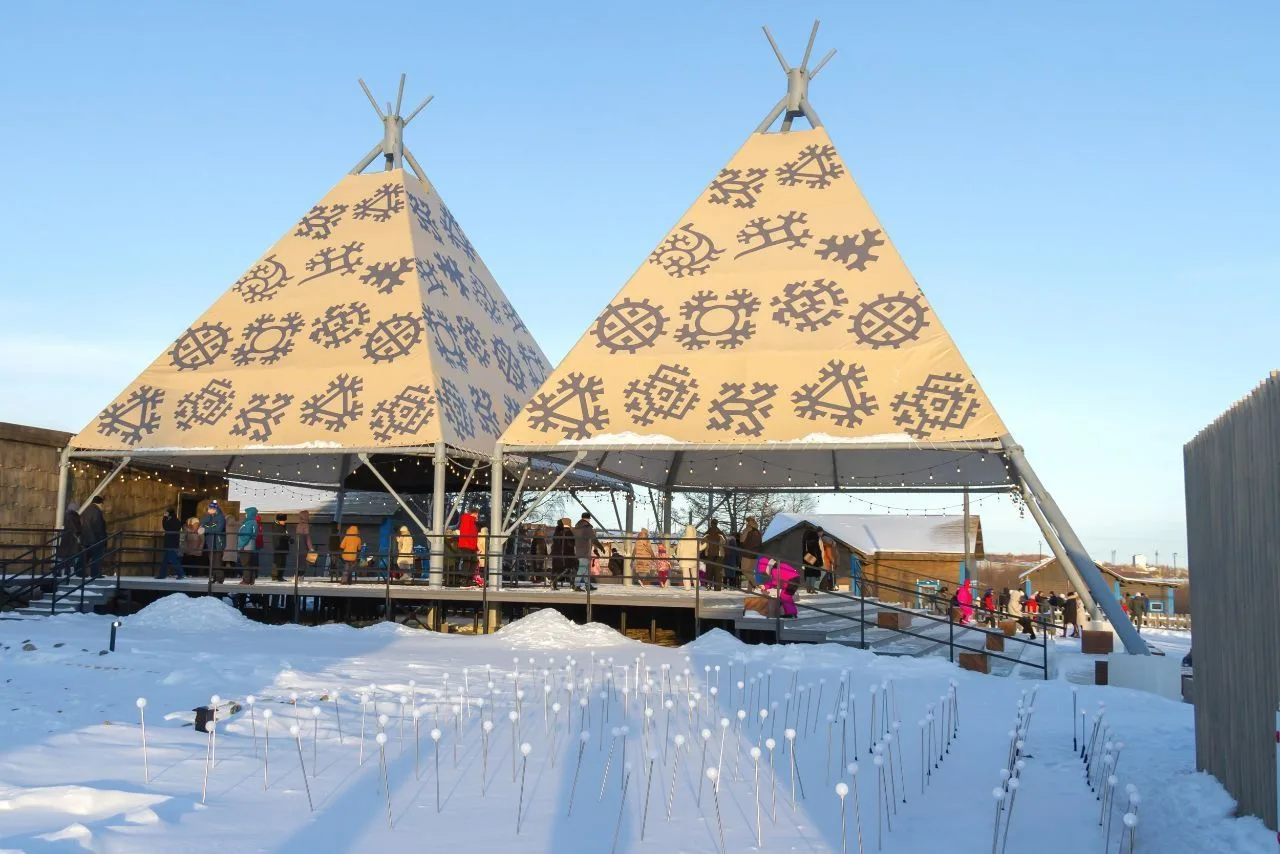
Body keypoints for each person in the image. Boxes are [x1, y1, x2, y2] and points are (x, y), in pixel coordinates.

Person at [80, 495, 108, 579]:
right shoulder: (96, 512)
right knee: (97, 556)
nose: (103, 506)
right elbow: (98, 526)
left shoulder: (87, 510)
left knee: (86, 555)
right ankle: (95, 573)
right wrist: (102, 538)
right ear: (100, 503)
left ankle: (79, 571)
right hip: (95, 538)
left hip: (86, 538)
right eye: (102, 504)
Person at [572, 513, 600, 592]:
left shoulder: (576, 527)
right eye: (589, 519)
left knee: (586, 570)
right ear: (587, 518)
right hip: (585, 551)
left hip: (579, 550)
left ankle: (588, 585)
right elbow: (593, 538)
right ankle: (576, 585)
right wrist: (600, 546)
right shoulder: (587, 527)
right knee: (582, 569)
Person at [56, 502, 83, 580]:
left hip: (69, 536)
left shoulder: (69, 515)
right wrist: (77, 534)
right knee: (68, 555)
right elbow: (73, 526)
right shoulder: (72, 515)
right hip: (71, 537)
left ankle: (62, 571)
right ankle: (63, 571)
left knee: (66, 555)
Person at [158, 509, 183, 579]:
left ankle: (181, 574)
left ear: (169, 514)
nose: (165, 514)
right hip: (173, 542)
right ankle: (162, 575)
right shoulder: (177, 521)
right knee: (165, 560)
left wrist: (164, 517)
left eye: (166, 513)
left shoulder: (171, 521)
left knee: (173, 559)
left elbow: (165, 526)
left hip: (170, 542)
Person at [201, 500, 226, 570]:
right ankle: (213, 575)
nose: (209, 509)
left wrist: (206, 529)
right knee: (212, 562)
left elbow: (218, 529)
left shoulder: (220, 517)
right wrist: (208, 526)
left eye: (210, 508)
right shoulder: (209, 516)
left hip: (218, 542)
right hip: (210, 542)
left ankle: (218, 576)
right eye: (209, 508)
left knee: (217, 562)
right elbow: (203, 524)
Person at [739, 517, 762, 589]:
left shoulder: (747, 529)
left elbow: (742, 540)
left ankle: (756, 584)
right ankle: (750, 589)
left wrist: (744, 531)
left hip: (747, 554)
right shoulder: (758, 531)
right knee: (750, 572)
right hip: (755, 554)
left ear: (748, 522)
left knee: (744, 570)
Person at [237, 508, 259, 585]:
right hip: (251, 545)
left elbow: (245, 536)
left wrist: (241, 545)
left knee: (245, 563)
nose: (245, 515)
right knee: (250, 563)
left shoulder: (249, 523)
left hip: (246, 546)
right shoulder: (254, 522)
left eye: (246, 513)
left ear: (250, 514)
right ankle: (251, 580)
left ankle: (246, 580)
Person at [702, 519, 725, 591]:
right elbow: (725, 543)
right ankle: (717, 587)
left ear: (711, 524)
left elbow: (702, 543)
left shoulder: (707, 534)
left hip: (709, 554)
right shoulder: (721, 534)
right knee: (718, 571)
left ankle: (708, 585)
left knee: (709, 570)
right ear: (717, 524)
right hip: (719, 555)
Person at [801, 525, 824, 594]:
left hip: (806, 556)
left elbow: (804, 548)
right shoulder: (815, 537)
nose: (822, 534)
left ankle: (808, 589)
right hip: (813, 557)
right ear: (819, 532)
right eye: (821, 532)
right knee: (814, 573)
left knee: (808, 573)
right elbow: (817, 550)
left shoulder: (806, 535)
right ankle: (812, 589)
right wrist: (820, 561)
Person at [218, 512, 239, 583]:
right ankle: (232, 575)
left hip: (226, 544)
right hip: (233, 545)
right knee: (231, 560)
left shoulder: (224, 523)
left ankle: (225, 574)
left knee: (225, 560)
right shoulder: (236, 524)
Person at [270, 514, 291, 581]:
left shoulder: (282, 526)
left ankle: (280, 576)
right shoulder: (277, 526)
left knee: (282, 563)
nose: (284, 522)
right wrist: (289, 538)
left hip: (283, 547)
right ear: (279, 520)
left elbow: (284, 535)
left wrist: (288, 538)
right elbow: (281, 536)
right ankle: (275, 576)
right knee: (277, 562)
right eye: (283, 520)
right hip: (278, 547)